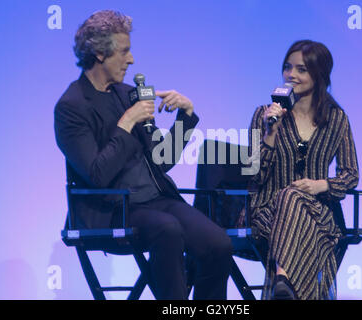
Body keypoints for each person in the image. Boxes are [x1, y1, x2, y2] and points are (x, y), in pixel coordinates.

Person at [54, 10, 232, 300]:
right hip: (112, 210)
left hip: (158, 200)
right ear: (100, 53)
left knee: (218, 243)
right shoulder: (72, 106)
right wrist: (126, 123)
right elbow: (97, 176)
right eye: (124, 51)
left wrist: (185, 118)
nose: (132, 59)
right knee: (168, 231)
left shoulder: (128, 94)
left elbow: (162, 161)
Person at [248, 40, 359, 300]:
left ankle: (282, 280)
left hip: (319, 210)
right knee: (289, 196)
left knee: (296, 201)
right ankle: (284, 282)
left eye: (301, 69)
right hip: (268, 211)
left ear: (319, 75)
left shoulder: (336, 119)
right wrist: (270, 133)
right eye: (288, 68)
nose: (291, 75)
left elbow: (351, 174)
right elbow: (254, 176)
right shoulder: (262, 115)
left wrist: (321, 185)